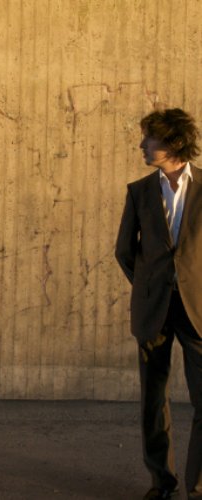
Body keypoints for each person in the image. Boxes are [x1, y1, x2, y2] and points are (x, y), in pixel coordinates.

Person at [116, 108, 202, 499]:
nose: (141, 145)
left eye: (148, 139)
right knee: (153, 401)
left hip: (198, 310)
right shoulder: (139, 192)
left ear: (173, 142)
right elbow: (124, 251)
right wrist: (149, 288)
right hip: (154, 311)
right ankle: (161, 482)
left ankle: (197, 486)